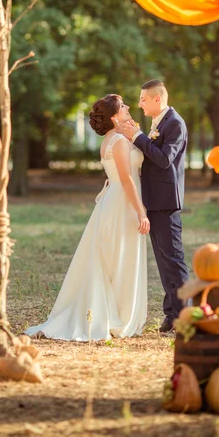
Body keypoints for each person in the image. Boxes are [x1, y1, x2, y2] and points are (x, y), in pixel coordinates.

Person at [26, 94, 149, 341]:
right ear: (115, 117)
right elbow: (126, 179)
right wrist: (141, 211)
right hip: (122, 204)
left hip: (113, 201)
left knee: (115, 259)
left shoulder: (112, 140)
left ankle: (115, 310)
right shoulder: (120, 142)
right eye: (123, 106)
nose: (128, 107)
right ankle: (117, 316)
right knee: (121, 259)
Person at [117, 80, 189, 333]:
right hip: (154, 200)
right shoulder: (160, 122)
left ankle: (185, 315)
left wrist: (136, 137)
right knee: (163, 261)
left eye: (143, 100)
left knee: (173, 260)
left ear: (157, 99)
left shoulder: (175, 124)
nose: (139, 104)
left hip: (166, 202)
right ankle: (172, 313)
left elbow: (164, 160)